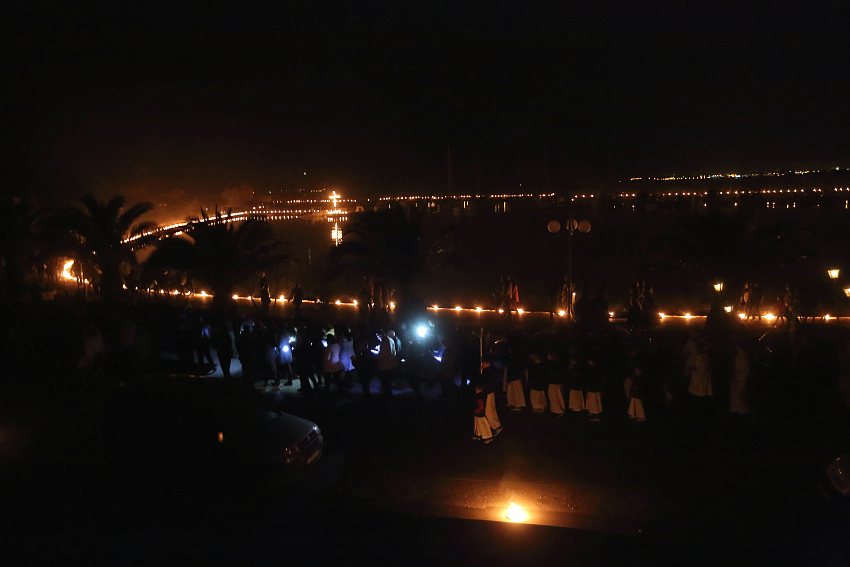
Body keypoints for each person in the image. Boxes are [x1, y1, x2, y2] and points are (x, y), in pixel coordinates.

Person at [481, 358, 503, 436]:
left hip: (488, 393)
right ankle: (495, 425)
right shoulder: (491, 371)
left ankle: (496, 426)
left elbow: (487, 383)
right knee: (491, 410)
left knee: (488, 411)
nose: (482, 365)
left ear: (487, 363)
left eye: (483, 363)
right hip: (490, 392)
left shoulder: (488, 372)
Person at [730, 342, 751, 415]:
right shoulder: (741, 355)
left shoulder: (743, 356)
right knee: (738, 395)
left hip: (740, 378)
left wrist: (737, 374)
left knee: (740, 395)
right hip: (739, 377)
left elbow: (742, 367)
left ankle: (741, 410)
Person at [376, 330, 398, 397]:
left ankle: (386, 395)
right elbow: (393, 352)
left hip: (385, 365)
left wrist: (377, 355)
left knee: (384, 381)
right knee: (388, 381)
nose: (377, 338)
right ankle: (389, 394)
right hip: (391, 364)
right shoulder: (391, 340)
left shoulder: (384, 341)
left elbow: (383, 354)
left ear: (380, 335)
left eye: (377, 336)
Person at [505, 342, 527, 410]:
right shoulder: (512, 356)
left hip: (515, 376)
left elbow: (514, 368)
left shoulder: (514, 357)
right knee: (512, 390)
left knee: (517, 391)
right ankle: (512, 403)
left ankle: (519, 404)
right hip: (514, 376)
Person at [545, 351, 566, 417]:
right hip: (552, 382)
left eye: (549, 355)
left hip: (556, 383)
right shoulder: (551, 364)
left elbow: (559, 373)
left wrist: (560, 382)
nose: (548, 357)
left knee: (557, 396)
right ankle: (555, 409)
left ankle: (560, 410)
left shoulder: (556, 364)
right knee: (552, 397)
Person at [584, 355, 604, 421]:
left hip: (594, 389)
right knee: (591, 402)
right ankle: (591, 412)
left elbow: (598, 380)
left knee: (595, 403)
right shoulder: (591, 369)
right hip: (591, 388)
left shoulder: (596, 370)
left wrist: (599, 389)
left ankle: (596, 416)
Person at [567, 346, 586, 412]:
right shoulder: (572, 360)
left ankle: (579, 406)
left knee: (577, 393)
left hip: (577, 381)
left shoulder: (579, 360)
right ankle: (574, 406)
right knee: (574, 393)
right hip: (574, 381)